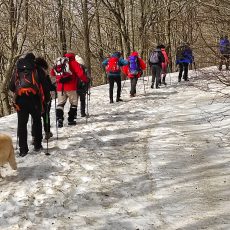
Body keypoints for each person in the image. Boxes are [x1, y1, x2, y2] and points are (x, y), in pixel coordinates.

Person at [9, 53, 48, 157]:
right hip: (35, 99)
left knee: (22, 124)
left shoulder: (18, 70)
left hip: (21, 100)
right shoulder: (37, 69)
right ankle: (37, 145)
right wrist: (46, 100)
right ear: (33, 60)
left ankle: (23, 149)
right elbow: (44, 86)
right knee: (37, 121)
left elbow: (11, 86)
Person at [50, 51, 88, 127]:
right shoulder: (74, 63)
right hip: (71, 87)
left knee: (60, 104)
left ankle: (59, 119)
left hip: (60, 87)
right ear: (73, 56)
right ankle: (71, 120)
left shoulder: (60, 62)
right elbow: (80, 73)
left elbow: (52, 73)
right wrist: (85, 80)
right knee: (73, 103)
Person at [34, 57, 56, 140]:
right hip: (44, 98)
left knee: (35, 118)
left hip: (33, 99)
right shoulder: (43, 73)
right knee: (46, 115)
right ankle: (47, 132)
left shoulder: (30, 72)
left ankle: (34, 136)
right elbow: (48, 86)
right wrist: (54, 87)